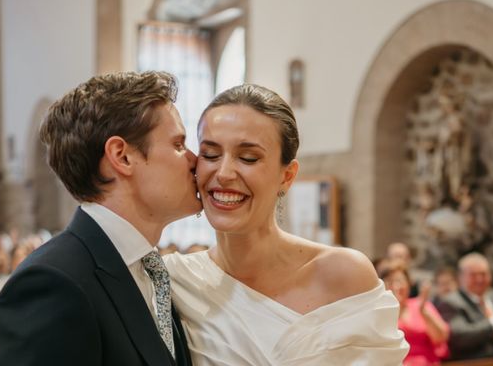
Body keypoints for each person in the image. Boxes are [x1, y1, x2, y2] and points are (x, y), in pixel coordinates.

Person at [164, 84, 408, 365]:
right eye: (210, 154)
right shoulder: (178, 282)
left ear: (287, 176)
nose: (224, 173)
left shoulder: (343, 274)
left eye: (248, 158)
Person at [0, 71, 201, 366]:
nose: (194, 160)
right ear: (121, 156)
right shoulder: (53, 284)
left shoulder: (147, 269)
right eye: (178, 145)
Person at [380, 261, 449, 365]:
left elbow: (440, 337)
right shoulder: (381, 312)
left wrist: (423, 311)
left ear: (409, 283)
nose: (396, 286)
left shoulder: (421, 304)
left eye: (399, 281)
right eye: (390, 281)